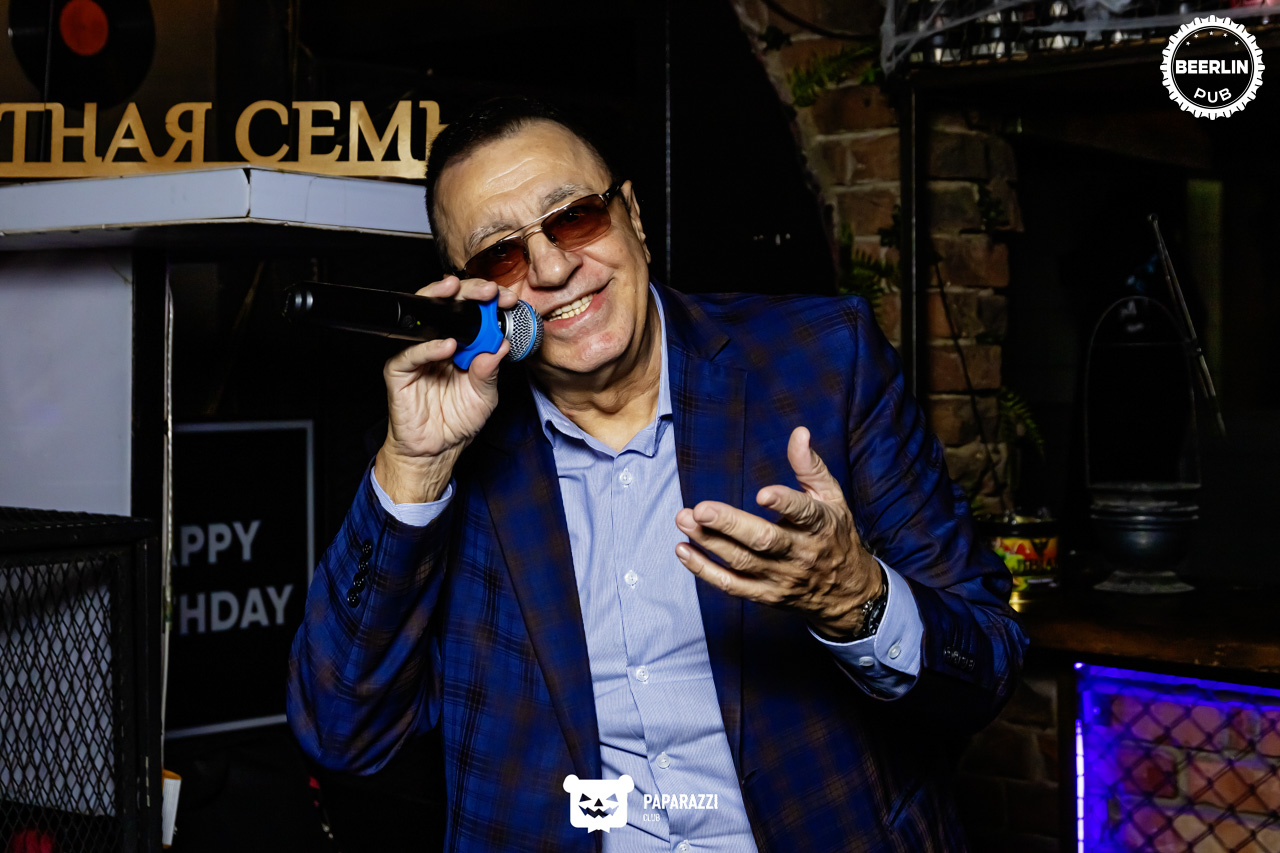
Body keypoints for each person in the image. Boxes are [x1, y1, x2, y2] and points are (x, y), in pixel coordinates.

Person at [288, 96, 1027, 853]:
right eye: (501, 255)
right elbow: (343, 735)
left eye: (575, 217)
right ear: (469, 292)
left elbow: (989, 661)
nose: (553, 268)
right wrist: (415, 468)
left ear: (632, 215)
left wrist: (856, 599)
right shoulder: (448, 452)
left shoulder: (826, 361)